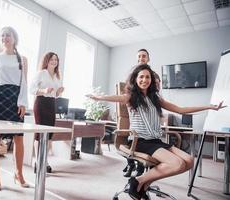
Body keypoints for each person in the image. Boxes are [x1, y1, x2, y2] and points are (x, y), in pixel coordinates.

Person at [87, 64, 225, 199]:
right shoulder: (131, 97)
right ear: (135, 79)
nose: (144, 80)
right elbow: (117, 98)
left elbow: (181, 109)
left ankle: (144, 183)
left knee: (189, 161)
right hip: (140, 141)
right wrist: (99, 98)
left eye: (147, 77)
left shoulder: (156, 99)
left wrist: (209, 107)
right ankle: (137, 181)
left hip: (156, 141)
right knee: (177, 164)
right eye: (141, 77)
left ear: (151, 80)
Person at [0, 26, 29, 191]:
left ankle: (19, 174)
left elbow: (24, 81)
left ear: (14, 38)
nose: (5, 38)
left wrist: (22, 102)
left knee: (19, 138)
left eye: (8, 35)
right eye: (2, 35)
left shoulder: (22, 59)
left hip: (15, 98)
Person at [30, 52, 64, 173]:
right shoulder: (41, 73)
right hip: (41, 104)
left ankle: (45, 161)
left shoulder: (57, 76)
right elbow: (32, 89)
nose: (54, 61)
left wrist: (59, 91)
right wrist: (44, 90)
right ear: (47, 61)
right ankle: (38, 161)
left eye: (56, 59)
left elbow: (55, 94)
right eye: (52, 59)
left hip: (51, 105)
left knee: (48, 134)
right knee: (40, 134)